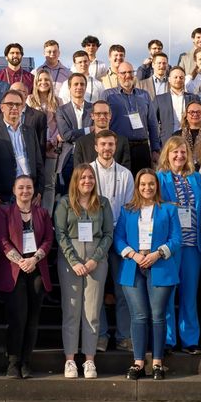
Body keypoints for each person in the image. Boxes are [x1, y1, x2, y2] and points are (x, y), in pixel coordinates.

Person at [114, 169, 182, 380]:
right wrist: (133, 255)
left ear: (157, 186)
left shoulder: (168, 210)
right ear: (137, 186)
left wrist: (157, 254)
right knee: (139, 316)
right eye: (143, 184)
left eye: (151, 184)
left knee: (158, 315)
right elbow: (118, 239)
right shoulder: (127, 211)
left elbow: (176, 239)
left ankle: (158, 363)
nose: (147, 188)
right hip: (133, 266)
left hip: (160, 265)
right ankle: (138, 362)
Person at [54, 164, 114, 379]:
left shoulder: (103, 203)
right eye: (83, 178)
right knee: (71, 311)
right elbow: (60, 234)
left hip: (96, 261)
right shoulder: (64, 203)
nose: (87, 181)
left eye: (90, 177)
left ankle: (89, 360)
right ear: (76, 181)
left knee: (92, 312)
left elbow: (108, 234)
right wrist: (73, 261)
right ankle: (70, 360)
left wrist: (95, 259)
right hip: (70, 260)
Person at [0, 176, 54, 378]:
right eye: (21, 187)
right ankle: (13, 362)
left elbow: (48, 239)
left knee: (32, 319)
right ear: (14, 190)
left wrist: (33, 259)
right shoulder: (4, 212)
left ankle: (26, 362)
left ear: (34, 191)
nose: (25, 191)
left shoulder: (42, 213)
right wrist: (20, 261)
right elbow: (1, 239)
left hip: (36, 269)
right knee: (17, 318)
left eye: (28, 187)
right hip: (14, 270)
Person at [156, 137, 201, 355]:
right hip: (169, 245)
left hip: (192, 244)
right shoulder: (159, 178)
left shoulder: (196, 178)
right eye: (175, 152)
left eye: (183, 152)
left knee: (189, 293)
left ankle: (190, 339)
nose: (179, 156)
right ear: (167, 154)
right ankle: (167, 339)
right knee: (167, 294)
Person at [89, 130, 135, 352]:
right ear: (96, 147)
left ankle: (124, 335)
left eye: (110, 144)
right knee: (96, 290)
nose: (107, 148)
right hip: (96, 237)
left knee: (122, 289)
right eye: (103, 144)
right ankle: (100, 335)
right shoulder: (87, 172)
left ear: (115, 147)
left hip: (119, 237)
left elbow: (128, 208)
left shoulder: (125, 174)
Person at [0, 89, 44, 211]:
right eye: (10, 104)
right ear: (2, 107)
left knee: (29, 230)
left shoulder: (30, 132)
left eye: (18, 104)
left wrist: (39, 192)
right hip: (3, 197)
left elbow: (39, 164)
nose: (14, 107)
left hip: (29, 195)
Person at [103, 61, 161, 175]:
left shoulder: (144, 95)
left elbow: (153, 124)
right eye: (123, 73)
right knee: (121, 185)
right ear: (118, 75)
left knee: (142, 184)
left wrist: (155, 149)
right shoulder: (108, 96)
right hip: (119, 148)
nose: (127, 76)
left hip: (142, 148)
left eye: (130, 72)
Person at [27, 69, 63, 214]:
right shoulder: (29, 100)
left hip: (51, 148)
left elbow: (61, 125)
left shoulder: (57, 101)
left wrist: (52, 141)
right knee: (32, 182)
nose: (43, 83)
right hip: (34, 147)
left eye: (46, 80)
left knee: (49, 184)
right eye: (40, 80)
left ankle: (46, 217)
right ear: (36, 82)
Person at [55, 73, 93, 189]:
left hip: (89, 157)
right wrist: (88, 130)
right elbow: (66, 135)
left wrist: (74, 133)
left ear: (86, 87)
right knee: (66, 194)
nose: (79, 87)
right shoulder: (61, 110)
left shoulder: (94, 109)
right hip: (69, 157)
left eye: (82, 84)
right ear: (70, 88)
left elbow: (96, 133)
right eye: (75, 84)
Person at [74, 101, 132, 171]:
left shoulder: (122, 141)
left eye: (105, 113)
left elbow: (125, 170)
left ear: (110, 115)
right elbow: (78, 171)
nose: (102, 117)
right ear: (92, 116)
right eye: (98, 114)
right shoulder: (81, 142)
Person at [156, 66, 199, 145]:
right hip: (166, 141)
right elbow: (153, 123)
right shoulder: (159, 99)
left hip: (190, 140)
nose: (178, 79)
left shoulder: (193, 98)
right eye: (175, 77)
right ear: (169, 79)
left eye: (181, 77)